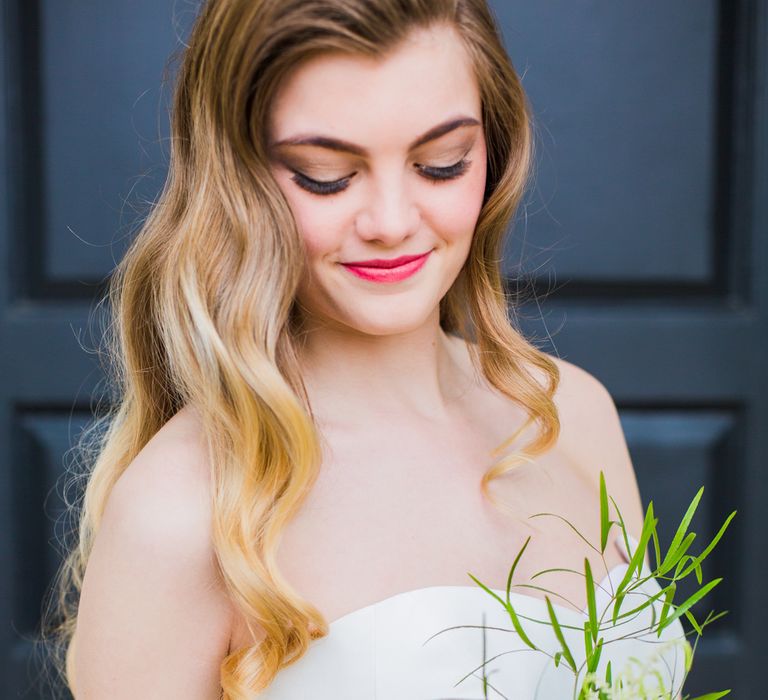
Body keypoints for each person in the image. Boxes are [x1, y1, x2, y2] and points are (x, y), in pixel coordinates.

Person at [40, 0, 687, 698]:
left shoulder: (574, 412)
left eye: (442, 164)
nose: (391, 221)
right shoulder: (181, 511)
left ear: (492, 151)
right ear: (235, 179)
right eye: (326, 175)